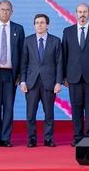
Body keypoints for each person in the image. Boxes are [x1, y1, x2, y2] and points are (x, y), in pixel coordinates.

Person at [62, 3, 89, 146]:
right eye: (79, 12)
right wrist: (64, 77)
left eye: (85, 12)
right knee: (76, 108)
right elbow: (64, 55)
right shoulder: (67, 32)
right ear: (75, 14)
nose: (82, 14)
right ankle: (78, 137)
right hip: (73, 77)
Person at [20, 13, 63, 147]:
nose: (39, 25)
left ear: (47, 25)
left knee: (49, 113)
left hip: (49, 82)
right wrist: (22, 81)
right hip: (31, 82)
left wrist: (58, 82)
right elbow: (24, 62)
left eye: (42, 22)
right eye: (37, 22)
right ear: (34, 25)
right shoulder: (28, 40)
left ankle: (48, 138)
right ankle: (32, 139)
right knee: (30, 113)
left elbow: (59, 63)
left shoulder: (55, 41)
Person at [0, 0, 25, 148]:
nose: (5, 12)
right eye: (2, 9)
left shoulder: (18, 29)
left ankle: (6, 138)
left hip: (11, 74)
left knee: (9, 107)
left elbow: (23, 54)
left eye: (7, 10)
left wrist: (20, 76)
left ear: (12, 12)